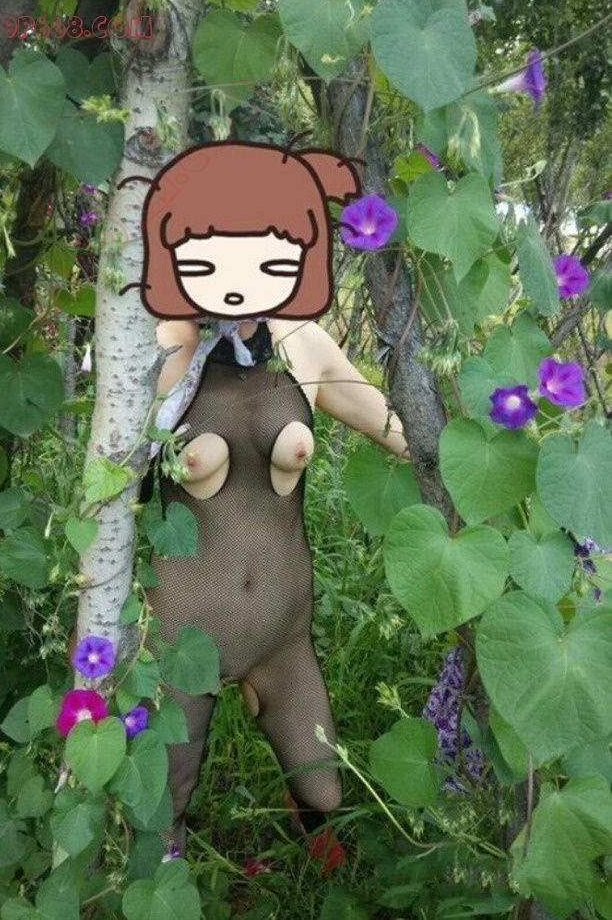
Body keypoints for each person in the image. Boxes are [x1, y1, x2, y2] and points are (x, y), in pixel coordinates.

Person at [127, 142, 409, 866]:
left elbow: (396, 428)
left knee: (325, 791)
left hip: (283, 633)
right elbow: (110, 460)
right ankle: (157, 884)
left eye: (266, 258)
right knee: (164, 802)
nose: (235, 283)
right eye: (208, 260)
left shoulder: (299, 344)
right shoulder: (164, 347)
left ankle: (309, 853)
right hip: (179, 635)